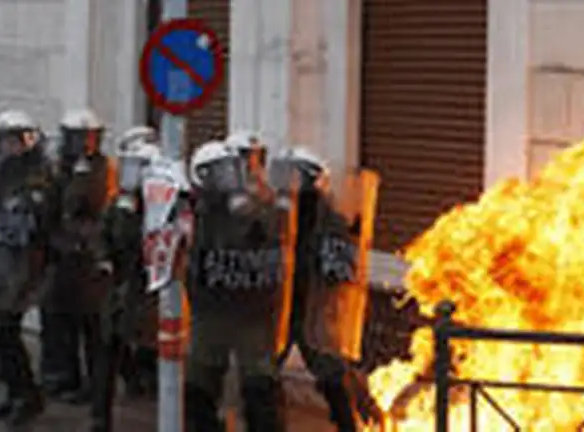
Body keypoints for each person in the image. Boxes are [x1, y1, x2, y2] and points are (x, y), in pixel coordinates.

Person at [268, 146, 383, 431]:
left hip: (313, 309)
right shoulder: (276, 214)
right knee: (264, 376)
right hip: (283, 305)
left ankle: (356, 421)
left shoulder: (327, 219)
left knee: (331, 374)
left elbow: (340, 266)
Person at [184, 140, 294, 432]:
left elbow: (273, 241)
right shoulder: (194, 212)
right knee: (200, 384)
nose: (230, 178)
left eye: (232, 170)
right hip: (211, 310)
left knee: (260, 386)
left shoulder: (258, 208)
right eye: (221, 172)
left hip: (251, 311)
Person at [0, 110, 56, 426]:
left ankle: (27, 396)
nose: (8, 146)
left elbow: (40, 214)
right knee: (1, 331)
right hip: (0, 260)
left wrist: (22, 208)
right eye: (3, 140)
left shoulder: (38, 171)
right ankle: (17, 392)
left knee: (3, 327)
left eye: (14, 140)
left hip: (27, 263)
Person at [40, 108, 118, 403]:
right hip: (61, 255)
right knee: (59, 319)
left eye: (89, 137)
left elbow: (91, 208)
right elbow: (53, 207)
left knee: (93, 326)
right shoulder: (58, 167)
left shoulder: (103, 169)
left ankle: (95, 385)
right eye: (77, 137)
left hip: (89, 257)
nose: (83, 144)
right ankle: (62, 376)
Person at [90, 136, 161, 432]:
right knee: (108, 347)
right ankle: (100, 418)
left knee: (157, 351)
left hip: (153, 291)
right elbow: (102, 233)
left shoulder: (167, 204)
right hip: (121, 286)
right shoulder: (119, 204)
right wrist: (104, 257)